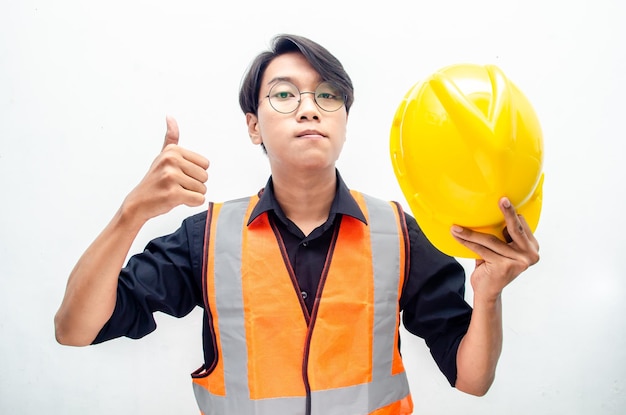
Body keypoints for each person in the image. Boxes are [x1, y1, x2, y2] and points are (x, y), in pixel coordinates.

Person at [54, 34, 540, 415]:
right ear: (252, 126)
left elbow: (473, 380)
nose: (309, 107)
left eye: (328, 96)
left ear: (346, 120)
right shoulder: (208, 239)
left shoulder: (398, 233)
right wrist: (130, 214)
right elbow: (75, 329)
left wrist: (490, 295)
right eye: (284, 94)